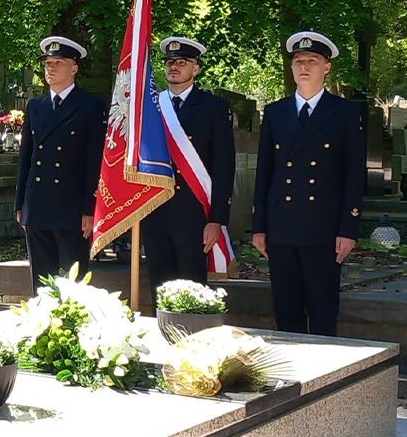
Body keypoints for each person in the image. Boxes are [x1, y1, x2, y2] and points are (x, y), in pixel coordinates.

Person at [252, 31, 365, 336]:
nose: (304, 66)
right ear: (291, 68)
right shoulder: (275, 112)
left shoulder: (345, 113)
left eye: (312, 61)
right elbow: (265, 171)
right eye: (298, 61)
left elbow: (354, 175)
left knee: (322, 310)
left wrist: (348, 229)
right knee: (286, 310)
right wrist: (259, 225)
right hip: (281, 226)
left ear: (326, 67)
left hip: (323, 228)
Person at [141, 36, 235, 307]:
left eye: (182, 62)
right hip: (155, 213)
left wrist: (217, 219)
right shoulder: (150, 106)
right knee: (160, 293)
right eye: (170, 61)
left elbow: (223, 165)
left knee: (192, 295)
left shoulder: (214, 108)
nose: (174, 66)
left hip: (194, 216)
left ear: (196, 68)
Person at [15, 36, 107, 287]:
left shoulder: (90, 106)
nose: (50, 68)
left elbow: (94, 161)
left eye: (58, 62)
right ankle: (43, 326)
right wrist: (20, 203)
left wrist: (90, 208)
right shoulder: (36, 106)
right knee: (41, 283)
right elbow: (27, 157)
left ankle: (71, 326)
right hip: (38, 204)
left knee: (72, 283)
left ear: (74, 68)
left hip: (72, 207)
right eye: (47, 63)